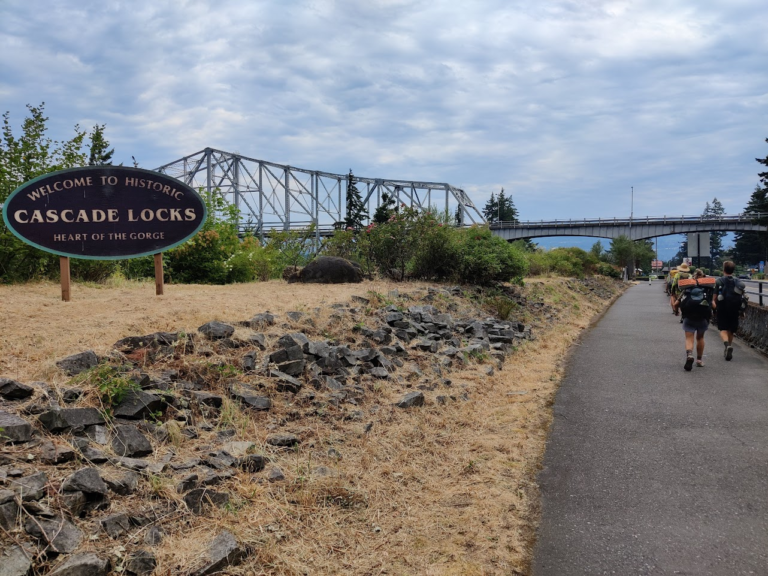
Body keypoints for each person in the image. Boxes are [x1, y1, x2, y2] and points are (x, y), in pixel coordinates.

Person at [673, 271, 715, 371]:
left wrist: (676, 312)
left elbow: (675, 304)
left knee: (689, 338)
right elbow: (713, 305)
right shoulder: (708, 289)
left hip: (689, 316)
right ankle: (699, 360)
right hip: (703, 316)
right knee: (700, 338)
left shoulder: (688, 288)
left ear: (694, 278)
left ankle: (690, 355)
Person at [712, 260, 747, 361]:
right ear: (733, 270)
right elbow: (743, 297)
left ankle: (727, 345)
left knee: (723, 329)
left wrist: (714, 307)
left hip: (722, 307)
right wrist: (742, 311)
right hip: (735, 308)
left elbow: (714, 298)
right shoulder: (738, 282)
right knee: (731, 330)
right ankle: (729, 346)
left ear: (723, 269)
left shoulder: (719, 281)